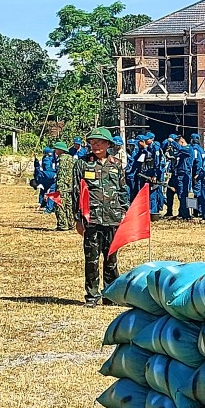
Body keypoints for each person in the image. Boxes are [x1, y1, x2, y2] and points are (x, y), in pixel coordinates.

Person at [76, 128, 128, 307]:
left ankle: (111, 294)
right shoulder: (83, 164)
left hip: (113, 217)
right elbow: (78, 192)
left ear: (108, 144)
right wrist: (78, 219)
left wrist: (125, 213)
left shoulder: (116, 164)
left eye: (99, 142)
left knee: (111, 258)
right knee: (91, 259)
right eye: (93, 142)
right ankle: (92, 296)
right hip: (92, 218)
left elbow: (122, 190)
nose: (96, 146)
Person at [53, 141, 76, 231]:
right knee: (69, 205)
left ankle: (62, 225)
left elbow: (61, 174)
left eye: (56, 149)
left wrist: (59, 187)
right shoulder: (71, 158)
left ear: (60, 150)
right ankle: (71, 224)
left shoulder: (62, 159)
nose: (55, 151)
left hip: (62, 186)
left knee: (59, 205)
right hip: (70, 185)